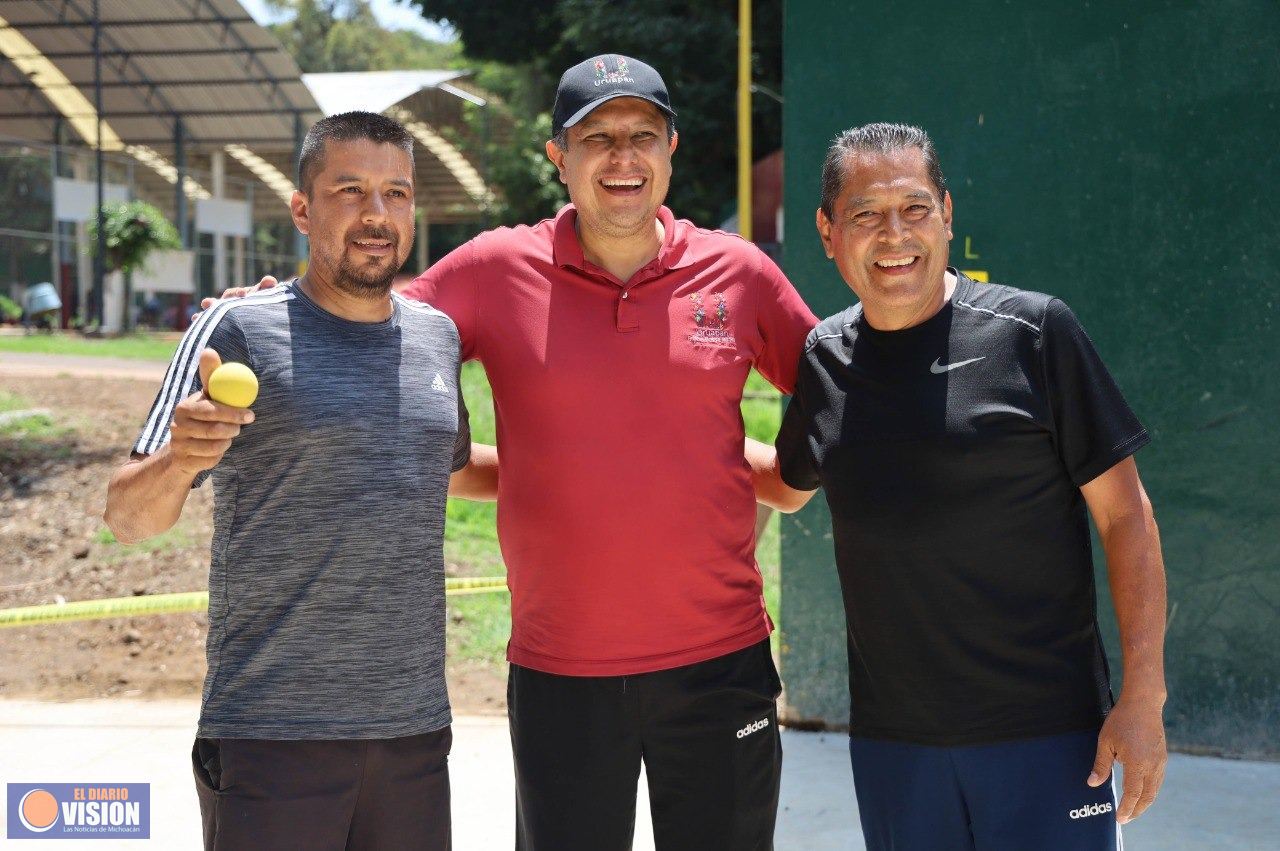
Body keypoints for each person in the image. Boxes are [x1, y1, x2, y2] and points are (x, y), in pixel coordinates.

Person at [216, 55, 817, 850]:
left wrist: (780, 478)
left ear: (673, 148)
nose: (622, 157)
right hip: (560, 670)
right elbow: (367, 321)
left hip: (721, 663)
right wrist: (275, 308)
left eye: (642, 135)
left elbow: (830, 386)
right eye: (596, 137)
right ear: (558, 158)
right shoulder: (496, 268)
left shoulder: (739, 274)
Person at [770, 123, 1168, 850]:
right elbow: (784, 483)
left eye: (915, 208)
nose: (895, 235)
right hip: (895, 746)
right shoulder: (824, 357)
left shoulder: (1035, 334)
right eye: (865, 214)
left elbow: (1126, 517)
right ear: (828, 232)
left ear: (948, 214)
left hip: (1048, 738)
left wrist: (1143, 697)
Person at [103, 112, 495, 851]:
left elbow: (446, 466)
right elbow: (127, 515)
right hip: (271, 735)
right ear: (304, 210)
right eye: (350, 190)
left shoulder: (436, 339)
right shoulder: (237, 330)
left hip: (414, 733)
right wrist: (183, 458)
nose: (377, 214)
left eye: (397, 193)